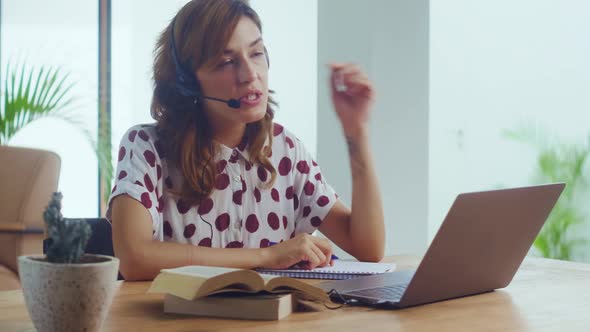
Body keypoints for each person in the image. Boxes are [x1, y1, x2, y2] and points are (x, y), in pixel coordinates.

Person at [107, 0, 384, 281]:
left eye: (256, 53)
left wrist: (356, 132)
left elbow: (368, 248)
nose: (250, 74)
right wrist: (266, 256)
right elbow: (134, 258)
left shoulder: (285, 149)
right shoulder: (146, 145)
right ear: (187, 82)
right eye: (227, 62)